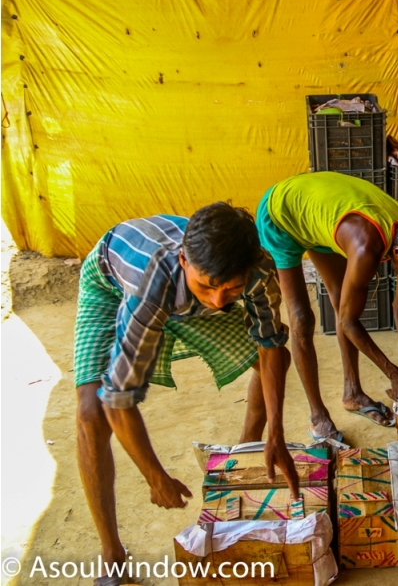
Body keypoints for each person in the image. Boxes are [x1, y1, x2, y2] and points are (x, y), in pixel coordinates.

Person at [74, 203, 299, 586]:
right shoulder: (153, 285)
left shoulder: (256, 270)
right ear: (183, 259)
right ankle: (111, 553)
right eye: (208, 286)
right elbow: (119, 396)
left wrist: (276, 432)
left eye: (232, 288)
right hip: (112, 282)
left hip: (183, 292)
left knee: (268, 363)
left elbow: (271, 346)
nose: (217, 301)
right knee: (91, 411)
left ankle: (240, 461)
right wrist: (154, 476)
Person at [256, 171, 398, 442]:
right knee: (302, 317)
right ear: (397, 255)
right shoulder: (365, 247)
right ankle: (318, 416)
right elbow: (349, 323)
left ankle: (353, 394)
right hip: (282, 213)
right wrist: (392, 373)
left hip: (320, 211)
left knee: (341, 301)